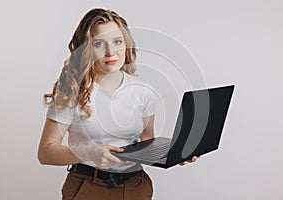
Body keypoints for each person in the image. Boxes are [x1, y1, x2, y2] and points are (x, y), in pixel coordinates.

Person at [38, 8, 198, 200]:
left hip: (136, 187)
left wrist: (177, 154)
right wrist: (88, 153)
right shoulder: (71, 90)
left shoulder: (143, 90)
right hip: (88, 187)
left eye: (117, 42)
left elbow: (146, 144)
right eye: (99, 44)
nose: (110, 52)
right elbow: (46, 152)